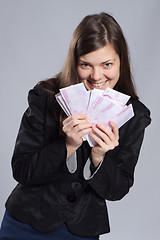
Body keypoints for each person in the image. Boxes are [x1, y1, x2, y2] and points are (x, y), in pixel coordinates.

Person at [0, 12, 151, 240]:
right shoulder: (46, 96)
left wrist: (99, 157)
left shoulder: (134, 115)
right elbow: (21, 169)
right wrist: (67, 145)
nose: (96, 75)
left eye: (107, 64)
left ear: (122, 61)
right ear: (75, 61)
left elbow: (118, 190)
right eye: (86, 65)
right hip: (26, 222)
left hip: (82, 228)